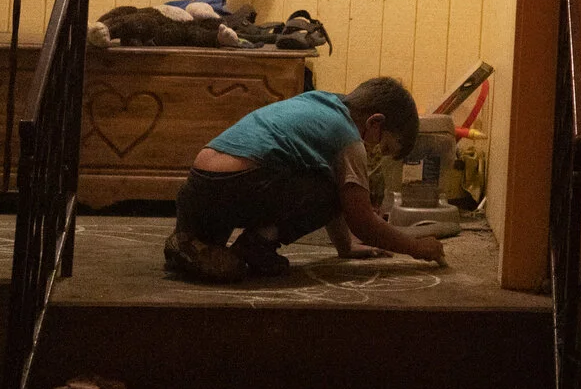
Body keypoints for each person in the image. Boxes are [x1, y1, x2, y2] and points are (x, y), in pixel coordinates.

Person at [165, 75, 447, 282]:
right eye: (383, 146)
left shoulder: (319, 101)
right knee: (334, 190)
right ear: (375, 122)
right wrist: (417, 247)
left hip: (200, 185)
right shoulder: (349, 136)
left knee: (205, 253)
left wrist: (345, 246)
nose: (376, 153)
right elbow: (361, 221)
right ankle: (257, 246)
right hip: (239, 186)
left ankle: (189, 242)